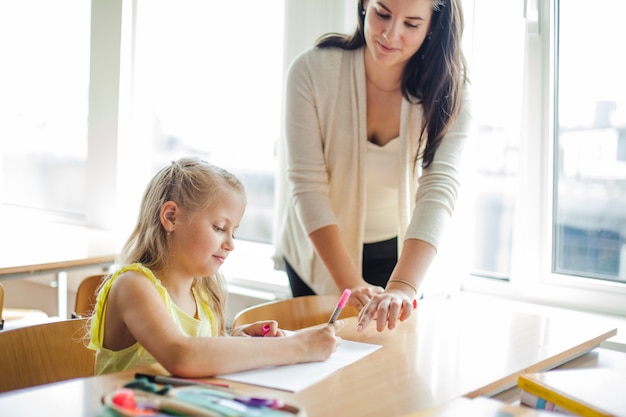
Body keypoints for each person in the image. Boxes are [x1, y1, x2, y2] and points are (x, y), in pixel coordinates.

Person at [275, 0, 471, 332]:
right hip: (319, 252)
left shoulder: (451, 92)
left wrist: (403, 287)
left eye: (411, 24)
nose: (390, 34)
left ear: (432, 27)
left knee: (386, 370)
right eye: (382, 13)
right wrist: (351, 284)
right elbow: (307, 185)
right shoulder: (310, 71)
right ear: (365, 4)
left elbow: (439, 190)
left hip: (398, 255)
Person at [88, 158, 343, 376]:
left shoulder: (203, 291)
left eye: (234, 232)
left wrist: (233, 342)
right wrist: (296, 347)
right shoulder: (133, 286)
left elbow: (197, 355)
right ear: (171, 217)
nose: (230, 244)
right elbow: (181, 356)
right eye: (220, 228)